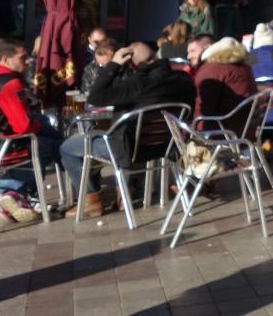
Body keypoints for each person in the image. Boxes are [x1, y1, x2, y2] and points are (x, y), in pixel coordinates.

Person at [61, 42, 195, 218]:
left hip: (131, 150)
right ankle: (126, 191)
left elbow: (95, 97)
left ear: (131, 63)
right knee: (121, 135)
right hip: (167, 147)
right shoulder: (184, 80)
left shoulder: (138, 83)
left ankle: (91, 200)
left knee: (67, 147)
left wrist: (114, 65)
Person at [0, 39, 64, 221]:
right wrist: (38, 125)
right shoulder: (8, 82)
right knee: (49, 146)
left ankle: (13, 194)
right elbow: (24, 127)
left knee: (43, 133)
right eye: (22, 57)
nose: (28, 61)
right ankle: (7, 191)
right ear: (6, 60)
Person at [193, 37, 258, 129]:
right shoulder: (245, 68)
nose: (188, 56)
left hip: (220, 130)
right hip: (245, 128)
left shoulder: (212, 69)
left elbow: (203, 109)